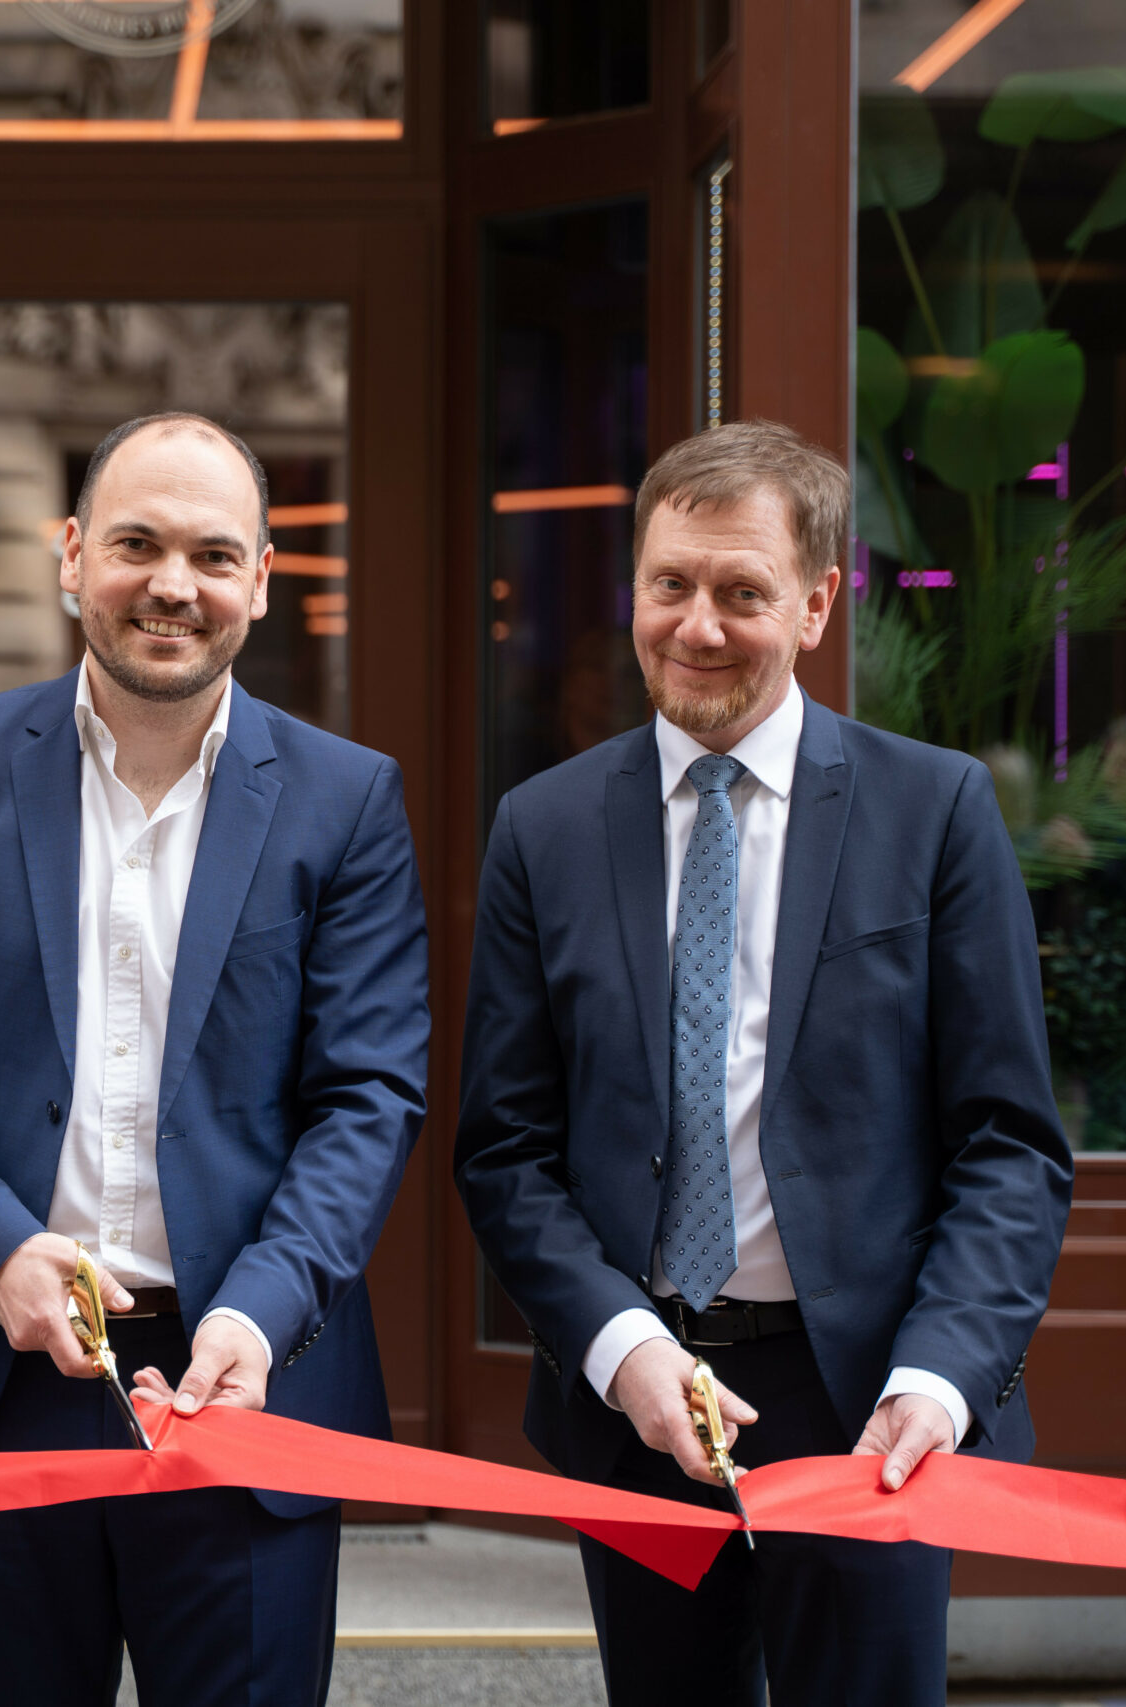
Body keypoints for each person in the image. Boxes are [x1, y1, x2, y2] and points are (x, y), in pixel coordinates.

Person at [455, 421, 1072, 1707]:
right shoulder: (542, 827)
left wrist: (938, 1376)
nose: (698, 626)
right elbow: (505, 1152)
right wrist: (619, 1348)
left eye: (741, 591)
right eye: (669, 584)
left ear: (815, 605)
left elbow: (1008, 1146)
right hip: (635, 1392)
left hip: (864, 1402)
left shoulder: (935, 810)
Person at [0, 411, 429, 1707]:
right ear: (71, 556)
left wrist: (260, 1309)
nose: (173, 584)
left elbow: (367, 1094)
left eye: (213, 555)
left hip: (245, 1380)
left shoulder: (346, 797)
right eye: (136, 544)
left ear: (260, 580)